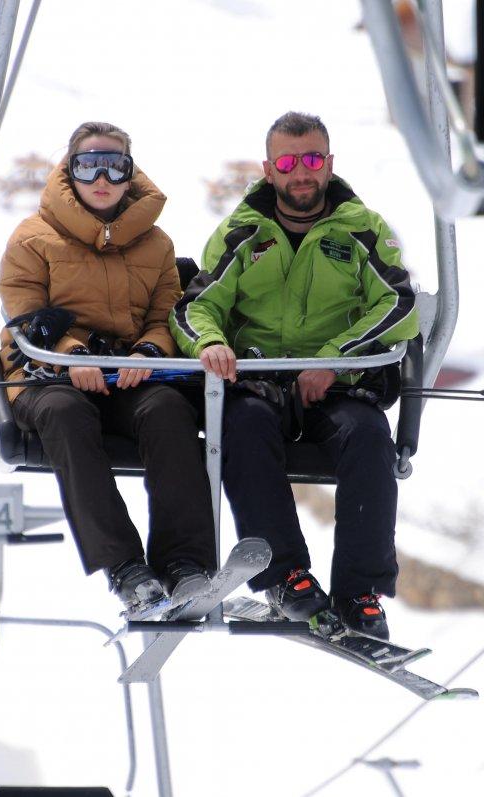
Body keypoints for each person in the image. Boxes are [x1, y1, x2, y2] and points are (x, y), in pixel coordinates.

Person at [170, 111, 418, 640]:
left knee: (369, 436)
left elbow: (398, 303)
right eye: (287, 162)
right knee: (244, 426)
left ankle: (359, 590)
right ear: (268, 169)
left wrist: (332, 358)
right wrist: (212, 342)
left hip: (336, 385)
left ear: (328, 164)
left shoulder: (360, 230)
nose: (300, 173)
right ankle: (285, 577)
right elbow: (194, 305)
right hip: (259, 380)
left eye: (311, 160)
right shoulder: (243, 231)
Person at [0, 121, 215, 614]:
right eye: (88, 165)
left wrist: (149, 353)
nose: (102, 178)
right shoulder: (33, 237)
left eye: (115, 167)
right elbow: (24, 314)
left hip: (126, 375)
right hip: (48, 374)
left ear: (130, 173)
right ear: (69, 172)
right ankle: (125, 569)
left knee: (167, 411)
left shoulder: (155, 244)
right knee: (65, 416)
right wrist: (73, 354)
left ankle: (185, 563)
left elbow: (168, 316)